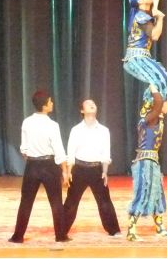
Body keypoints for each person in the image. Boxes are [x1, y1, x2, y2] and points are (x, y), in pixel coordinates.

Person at [9, 90, 70, 243]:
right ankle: (60, 236)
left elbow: (24, 149)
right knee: (56, 201)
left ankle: (18, 236)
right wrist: (64, 170)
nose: (52, 104)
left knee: (26, 202)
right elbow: (59, 149)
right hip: (49, 165)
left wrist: (32, 156)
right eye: (50, 101)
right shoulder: (52, 125)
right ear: (44, 105)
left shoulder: (27, 122)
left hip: (32, 165)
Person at [62, 99, 121, 237]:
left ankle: (113, 230)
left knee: (105, 201)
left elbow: (106, 153)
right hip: (79, 169)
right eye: (88, 104)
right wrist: (69, 171)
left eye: (93, 103)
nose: (92, 104)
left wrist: (105, 171)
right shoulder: (76, 130)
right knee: (71, 202)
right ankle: (61, 230)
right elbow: (71, 152)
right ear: (82, 110)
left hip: (96, 169)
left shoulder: (104, 130)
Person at [126, 86, 167, 241]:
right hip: (145, 163)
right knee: (143, 193)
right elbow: (159, 102)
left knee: (157, 194)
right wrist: (154, 87)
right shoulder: (150, 119)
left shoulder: (155, 119)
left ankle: (160, 228)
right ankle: (131, 231)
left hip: (152, 162)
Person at [123, 0, 167, 106]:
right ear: (140, 1)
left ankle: (151, 105)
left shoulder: (141, 15)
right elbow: (155, 35)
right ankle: (151, 105)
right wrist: (160, 18)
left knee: (164, 78)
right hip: (137, 57)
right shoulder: (141, 16)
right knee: (162, 78)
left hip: (140, 57)